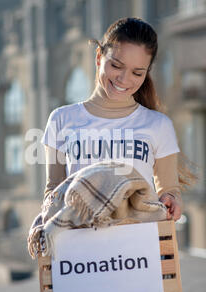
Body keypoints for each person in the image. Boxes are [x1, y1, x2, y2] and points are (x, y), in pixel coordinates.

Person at [41, 17, 197, 222]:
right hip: (81, 244)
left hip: (137, 246)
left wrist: (171, 199)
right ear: (99, 57)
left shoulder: (158, 125)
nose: (124, 79)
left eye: (137, 73)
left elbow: (169, 190)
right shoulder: (61, 119)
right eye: (116, 65)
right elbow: (54, 190)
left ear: (146, 73)